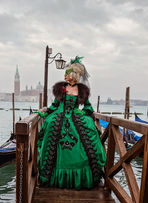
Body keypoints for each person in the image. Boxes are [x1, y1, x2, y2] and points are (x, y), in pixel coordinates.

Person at [35, 56, 106, 190]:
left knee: (90, 132)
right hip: (59, 116)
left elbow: (88, 108)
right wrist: (45, 113)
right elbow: (55, 105)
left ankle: (86, 175)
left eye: (67, 74)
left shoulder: (81, 90)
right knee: (50, 128)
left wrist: (83, 113)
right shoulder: (61, 88)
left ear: (73, 75)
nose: (65, 76)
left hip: (76, 117)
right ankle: (49, 175)